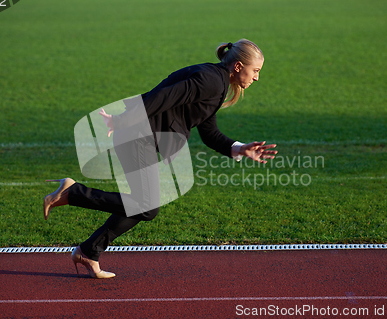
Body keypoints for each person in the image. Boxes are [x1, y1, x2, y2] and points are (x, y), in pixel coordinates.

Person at [43, 39, 277, 279]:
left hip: (140, 135)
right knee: (146, 206)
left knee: (144, 207)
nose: (257, 77)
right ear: (238, 66)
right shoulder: (211, 81)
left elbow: (209, 133)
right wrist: (123, 120)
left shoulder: (216, 83)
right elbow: (164, 96)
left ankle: (89, 251)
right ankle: (72, 194)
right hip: (135, 134)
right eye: (256, 70)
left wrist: (239, 149)